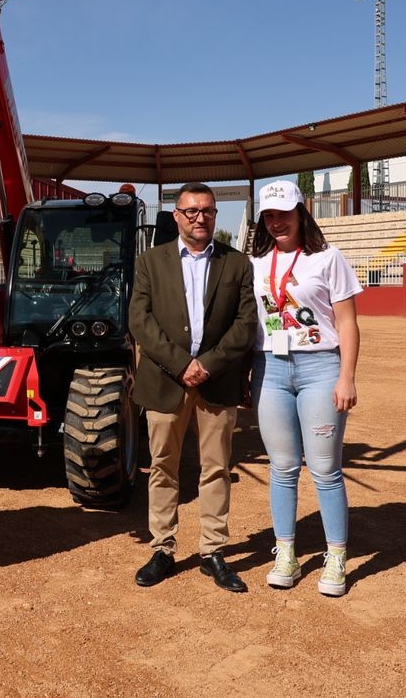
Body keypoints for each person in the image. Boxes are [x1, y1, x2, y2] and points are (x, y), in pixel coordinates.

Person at [128, 182, 257, 592]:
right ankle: (163, 547)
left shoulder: (237, 263)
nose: (200, 217)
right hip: (166, 380)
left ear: (215, 215)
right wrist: (182, 364)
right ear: (176, 216)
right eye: (191, 211)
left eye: (208, 211)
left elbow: (245, 324)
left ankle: (213, 551)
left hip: (217, 382)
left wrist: (208, 365)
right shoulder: (151, 261)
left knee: (216, 468)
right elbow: (140, 320)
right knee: (163, 467)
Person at [249, 180, 362, 597]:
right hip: (271, 370)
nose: (277, 222)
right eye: (270, 216)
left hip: (320, 369)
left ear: (301, 213)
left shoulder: (328, 258)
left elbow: (347, 322)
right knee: (281, 467)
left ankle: (335, 556)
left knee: (325, 469)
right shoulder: (256, 263)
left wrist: (346, 376)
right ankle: (286, 553)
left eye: (284, 213)